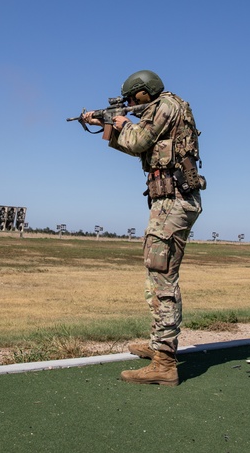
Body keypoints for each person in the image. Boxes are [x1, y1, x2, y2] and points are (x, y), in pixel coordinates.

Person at [82, 70, 204, 386]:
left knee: (161, 277)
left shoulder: (165, 106)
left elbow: (138, 141)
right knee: (155, 274)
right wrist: (106, 124)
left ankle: (165, 363)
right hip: (169, 201)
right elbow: (138, 146)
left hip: (174, 201)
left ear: (142, 93)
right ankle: (158, 346)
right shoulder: (166, 107)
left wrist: (119, 123)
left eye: (131, 99)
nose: (131, 104)